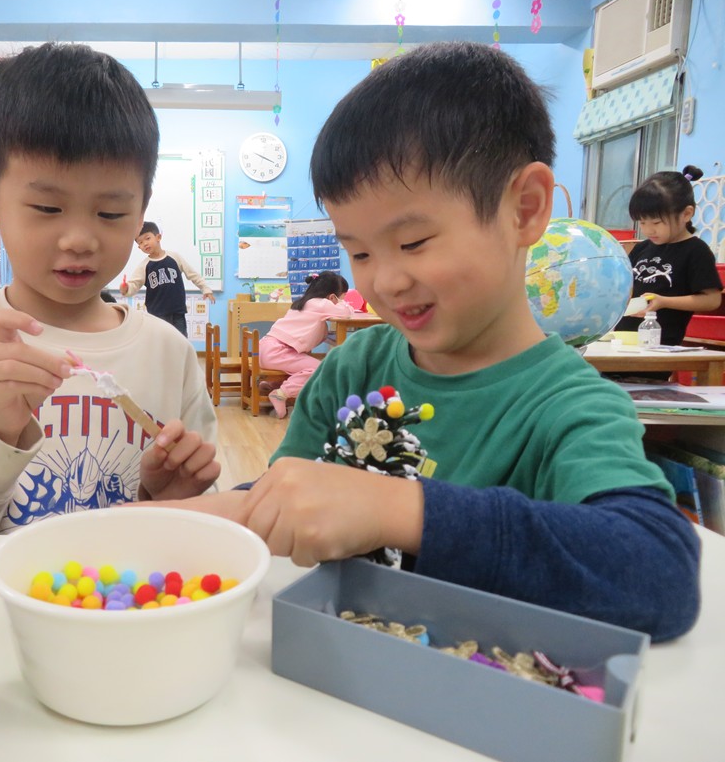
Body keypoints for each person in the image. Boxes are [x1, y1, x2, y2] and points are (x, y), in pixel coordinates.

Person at [152, 42, 700, 642]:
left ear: (525, 209)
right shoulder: (352, 368)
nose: (385, 281)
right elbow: (287, 499)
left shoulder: (569, 406)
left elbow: (659, 575)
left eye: (413, 242)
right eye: (359, 252)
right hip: (328, 672)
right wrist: (167, 511)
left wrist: (395, 506)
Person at [0, 43, 219, 535]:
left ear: (141, 210)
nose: (79, 240)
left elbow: (204, 517)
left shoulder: (169, 352)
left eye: (111, 213)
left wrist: (166, 500)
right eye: (47, 208)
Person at [617, 165, 722, 345]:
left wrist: (664, 301)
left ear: (686, 214)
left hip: (661, 346)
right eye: (642, 222)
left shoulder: (696, 250)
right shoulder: (642, 248)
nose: (648, 230)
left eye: (656, 222)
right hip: (621, 340)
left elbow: (712, 300)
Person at [257, 271, 353, 419]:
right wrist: (343, 303)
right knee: (319, 369)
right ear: (332, 296)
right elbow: (346, 312)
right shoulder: (322, 304)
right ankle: (281, 393)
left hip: (265, 349)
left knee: (302, 362)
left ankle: (273, 384)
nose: (341, 301)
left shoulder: (303, 302)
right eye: (341, 298)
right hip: (278, 352)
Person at [119, 221, 215, 336]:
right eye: (140, 242)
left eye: (147, 238)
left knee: (180, 341)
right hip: (156, 314)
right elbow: (134, 284)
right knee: (160, 342)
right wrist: (126, 289)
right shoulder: (144, 266)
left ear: (158, 237)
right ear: (139, 247)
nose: (145, 243)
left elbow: (192, 274)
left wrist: (205, 289)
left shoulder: (174, 257)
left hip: (177, 311)